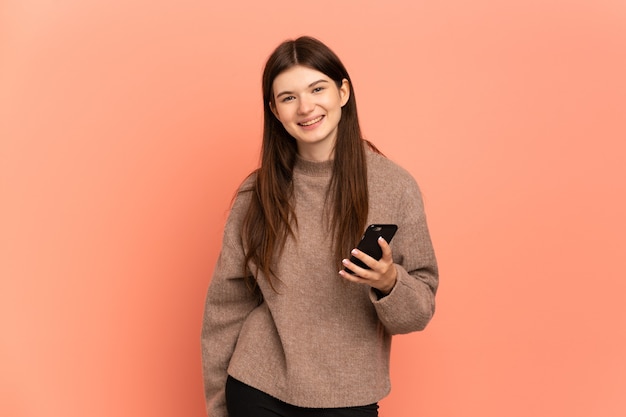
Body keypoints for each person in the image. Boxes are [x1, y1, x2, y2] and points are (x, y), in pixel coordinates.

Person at [201, 36, 438, 417]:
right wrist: (219, 406)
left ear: (343, 91)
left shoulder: (394, 187)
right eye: (288, 97)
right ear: (275, 111)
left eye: (317, 88)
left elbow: (419, 311)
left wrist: (388, 280)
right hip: (257, 387)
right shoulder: (257, 193)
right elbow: (224, 308)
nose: (306, 107)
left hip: (349, 394)